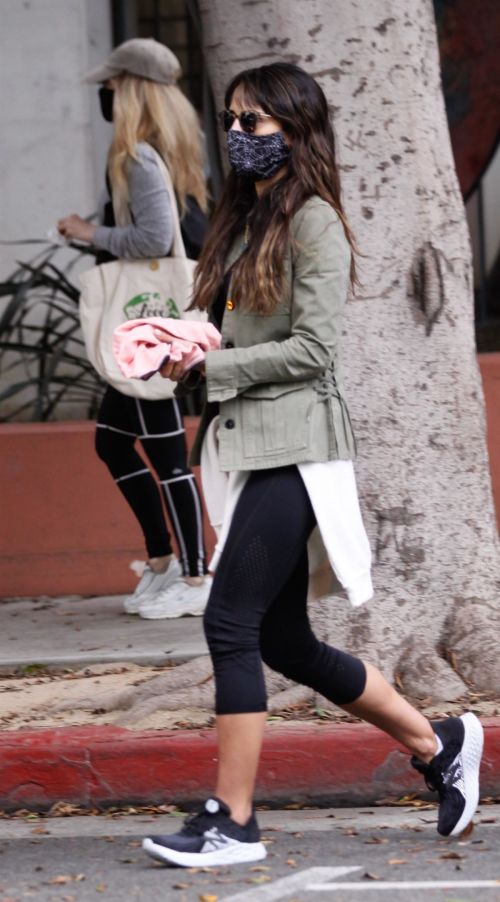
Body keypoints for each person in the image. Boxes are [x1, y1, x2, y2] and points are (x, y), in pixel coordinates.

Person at [141, 62, 484, 867]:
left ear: (296, 131)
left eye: (255, 124)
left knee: (230, 622)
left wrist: (213, 371)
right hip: (251, 444)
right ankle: (440, 743)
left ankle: (233, 821)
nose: (238, 136)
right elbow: (233, 331)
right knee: (285, 639)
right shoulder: (245, 217)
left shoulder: (314, 221)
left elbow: (315, 351)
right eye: (231, 120)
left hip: (298, 446)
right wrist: (179, 345)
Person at [58, 39, 212, 620]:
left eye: (112, 84)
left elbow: (151, 239)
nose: (104, 93)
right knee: (112, 441)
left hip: (144, 321)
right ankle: (161, 560)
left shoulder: (138, 157)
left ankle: (197, 576)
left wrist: (85, 231)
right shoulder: (163, 152)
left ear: (131, 90)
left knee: (169, 454)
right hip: (149, 318)